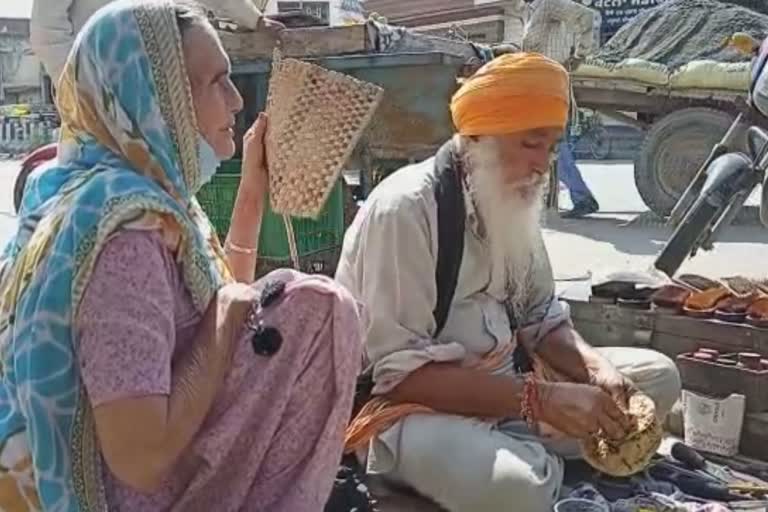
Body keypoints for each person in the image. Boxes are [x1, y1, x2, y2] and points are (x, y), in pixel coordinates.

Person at [0, 1, 363, 511]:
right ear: (156, 96)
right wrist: (221, 325)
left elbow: (217, 307)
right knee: (317, 310)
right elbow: (141, 457)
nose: (237, 101)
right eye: (216, 82)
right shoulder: (125, 235)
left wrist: (253, 192)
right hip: (120, 495)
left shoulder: (86, 191)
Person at [335, 53, 681, 512]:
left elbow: (542, 320)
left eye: (552, 147)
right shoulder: (406, 210)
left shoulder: (511, 196)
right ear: (480, 138)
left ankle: (535, 451)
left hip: (516, 387)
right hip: (415, 412)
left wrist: (596, 371)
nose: (544, 166)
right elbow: (401, 379)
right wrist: (540, 401)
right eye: (530, 144)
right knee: (518, 487)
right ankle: (532, 463)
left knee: (655, 379)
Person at [30, 0, 283, 88]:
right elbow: (46, 34)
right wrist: (82, 90)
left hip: (155, 88)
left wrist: (255, 20)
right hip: (96, 92)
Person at [521, 0, 600, 218]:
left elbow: (586, 16)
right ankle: (566, 196)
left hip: (549, 83)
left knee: (549, 142)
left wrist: (580, 55)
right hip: (540, 85)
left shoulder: (550, 3)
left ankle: (581, 196)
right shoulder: (532, 9)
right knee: (548, 142)